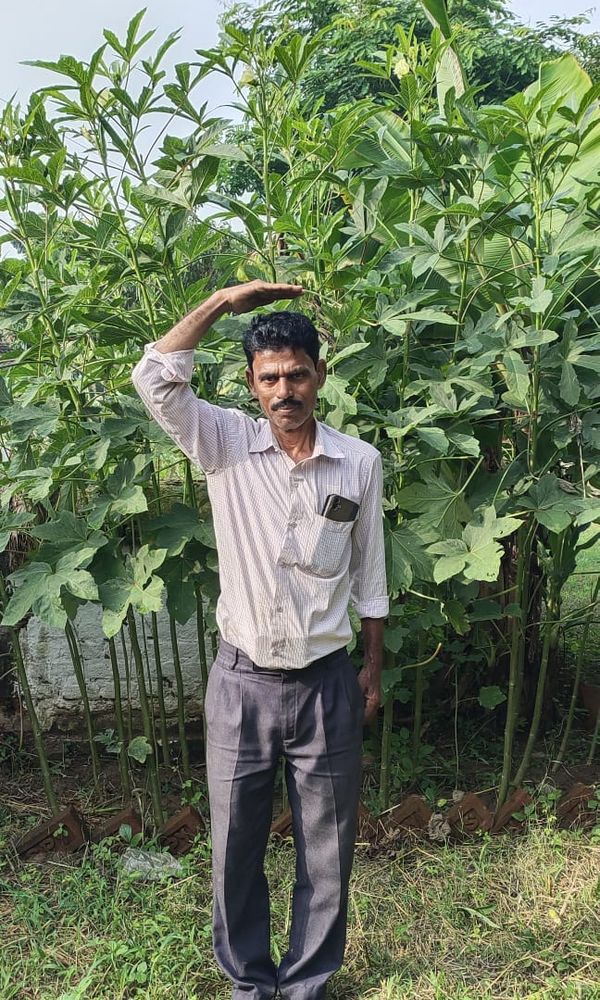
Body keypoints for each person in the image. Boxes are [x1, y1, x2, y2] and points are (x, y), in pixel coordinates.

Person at [131, 280, 388, 1000]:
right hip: (241, 682)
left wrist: (371, 667)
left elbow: (370, 574)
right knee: (235, 846)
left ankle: (305, 984)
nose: (285, 390)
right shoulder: (224, 444)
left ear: (320, 375)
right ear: (250, 384)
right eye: (270, 377)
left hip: (328, 682)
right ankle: (249, 982)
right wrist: (221, 300)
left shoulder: (358, 462)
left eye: (297, 373)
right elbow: (153, 375)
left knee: (328, 851)